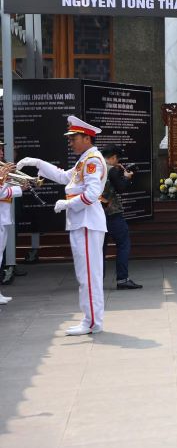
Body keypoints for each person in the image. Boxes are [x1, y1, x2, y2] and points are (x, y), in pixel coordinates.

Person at [18, 116, 109, 335]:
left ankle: (92, 322)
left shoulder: (92, 160)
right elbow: (62, 176)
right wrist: (38, 163)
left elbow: (92, 194)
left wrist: (67, 203)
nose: (70, 143)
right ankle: (90, 319)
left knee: (88, 275)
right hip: (81, 222)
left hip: (87, 222)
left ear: (86, 138)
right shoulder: (84, 160)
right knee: (85, 274)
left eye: (73, 138)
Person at [100, 145, 142, 290]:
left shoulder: (95, 167)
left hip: (96, 215)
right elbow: (121, 188)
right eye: (117, 158)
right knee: (123, 244)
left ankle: (97, 282)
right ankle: (123, 279)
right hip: (112, 214)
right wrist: (127, 177)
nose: (118, 162)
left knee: (100, 250)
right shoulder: (111, 170)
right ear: (113, 157)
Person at [0, 141, 25, 307]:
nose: (1, 153)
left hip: (3, 216)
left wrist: (18, 181)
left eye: (1, 149)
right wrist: (18, 190)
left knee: (0, 256)